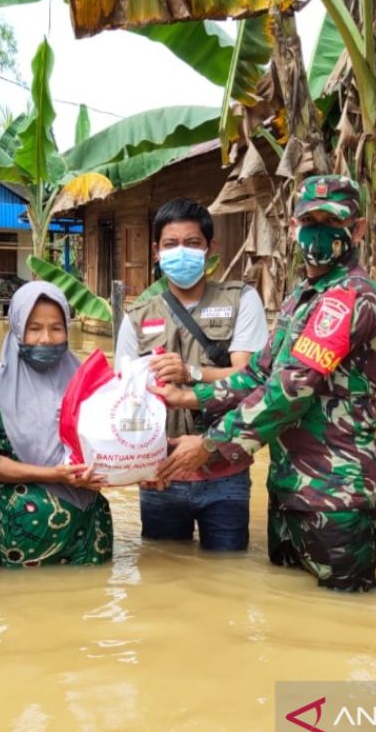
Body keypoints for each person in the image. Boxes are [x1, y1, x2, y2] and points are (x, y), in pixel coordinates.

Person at [152, 175, 376, 592]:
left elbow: (292, 388)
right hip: (288, 489)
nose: (318, 230)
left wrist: (209, 444)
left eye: (331, 221)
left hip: (335, 497)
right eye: (308, 219)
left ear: (358, 229)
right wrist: (191, 397)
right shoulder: (303, 296)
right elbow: (260, 374)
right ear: (294, 226)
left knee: (341, 625)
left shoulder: (350, 297)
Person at [114, 198, 269, 551]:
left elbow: (251, 379)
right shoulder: (136, 316)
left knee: (227, 576)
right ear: (156, 251)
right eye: (171, 244)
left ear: (210, 248)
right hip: (160, 475)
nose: (180, 251)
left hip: (225, 470)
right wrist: (136, 467)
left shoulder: (241, 300)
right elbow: (123, 401)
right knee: (164, 580)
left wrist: (191, 372)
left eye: (192, 243)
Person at [0, 281, 112, 567]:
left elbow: (111, 445)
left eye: (56, 328)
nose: (46, 338)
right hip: (22, 533)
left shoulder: (88, 379)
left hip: (90, 529)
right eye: (34, 328)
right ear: (18, 329)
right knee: (20, 608)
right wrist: (54, 475)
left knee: (93, 604)